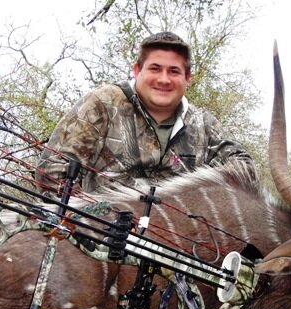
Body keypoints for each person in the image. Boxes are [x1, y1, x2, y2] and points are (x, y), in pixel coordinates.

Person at [36, 31, 256, 192]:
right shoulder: (103, 103)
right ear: (137, 70)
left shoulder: (203, 125)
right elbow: (52, 172)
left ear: (187, 78)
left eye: (174, 71)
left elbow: (244, 170)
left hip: (176, 239)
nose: (163, 79)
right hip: (99, 233)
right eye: (155, 68)